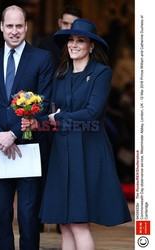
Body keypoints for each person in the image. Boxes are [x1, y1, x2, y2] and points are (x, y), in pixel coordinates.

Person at [38, 18, 132, 249]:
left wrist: (57, 118)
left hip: (88, 150)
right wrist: (34, 119)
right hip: (62, 150)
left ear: (91, 46)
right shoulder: (61, 73)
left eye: (81, 40)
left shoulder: (101, 72)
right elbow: (48, 107)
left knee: (78, 222)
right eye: (71, 39)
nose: (74, 44)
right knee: (65, 223)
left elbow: (91, 112)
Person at [0, 5, 54, 250]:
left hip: (28, 149)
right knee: (0, 217)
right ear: (1, 27)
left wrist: (14, 134)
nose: (15, 31)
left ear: (26, 27)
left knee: (29, 218)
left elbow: (44, 104)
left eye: (19, 26)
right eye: (10, 26)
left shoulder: (42, 58)